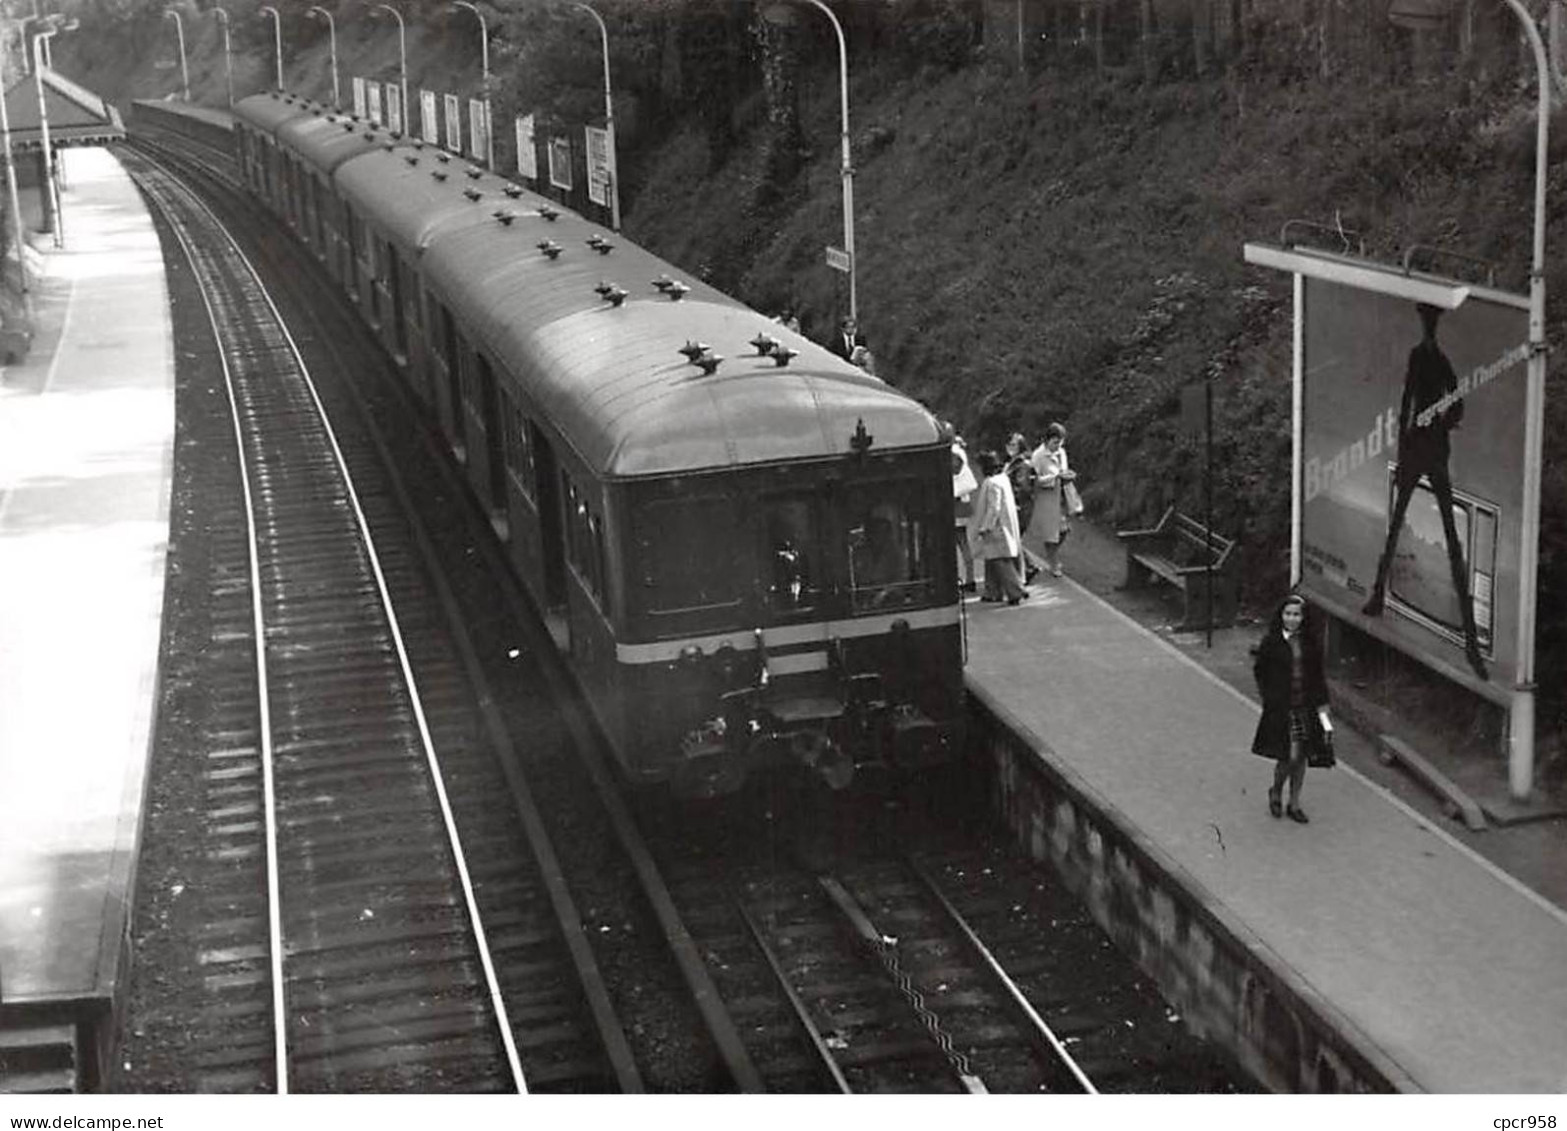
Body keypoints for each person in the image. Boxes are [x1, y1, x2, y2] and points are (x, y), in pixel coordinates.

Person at [1361, 302, 1487, 681]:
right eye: (1426, 321)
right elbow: (1406, 401)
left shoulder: (1437, 359)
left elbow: (1456, 402)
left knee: (1449, 532)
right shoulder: (1421, 356)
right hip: (1418, 448)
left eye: (1430, 321)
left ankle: (1469, 638)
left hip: (1429, 449)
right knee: (1398, 521)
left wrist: (1439, 425)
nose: (1428, 326)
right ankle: (1378, 594)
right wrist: (1408, 443)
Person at [1251, 594, 1333, 824]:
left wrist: (1323, 705)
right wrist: (1268, 697)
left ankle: (1294, 802)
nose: (1292, 619)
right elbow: (1260, 671)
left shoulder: (1310, 644)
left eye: (1296, 614)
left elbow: (1318, 676)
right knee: (1287, 756)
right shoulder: (1271, 642)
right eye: (1288, 614)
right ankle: (1276, 790)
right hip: (1282, 708)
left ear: (1303, 618)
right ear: (1281, 616)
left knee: (1302, 757)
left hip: (1305, 707)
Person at [970, 450, 1028, 605]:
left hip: (997, 528)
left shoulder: (992, 483)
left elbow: (993, 508)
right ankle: (992, 591)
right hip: (1006, 524)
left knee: (1000, 560)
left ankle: (1016, 591)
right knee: (991, 559)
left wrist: (986, 526)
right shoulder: (1003, 479)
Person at [1028, 422, 1076, 578]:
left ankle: (1051, 557)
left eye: (1060, 442)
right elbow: (1033, 480)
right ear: (1047, 440)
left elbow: (1064, 471)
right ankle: (1053, 563)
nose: (1058, 446)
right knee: (1051, 533)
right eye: (1055, 442)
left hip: (1061, 496)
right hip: (1046, 498)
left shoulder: (1062, 453)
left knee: (1064, 530)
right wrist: (1054, 477)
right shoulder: (1038, 456)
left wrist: (1067, 476)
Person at [1004, 432, 1038, 581]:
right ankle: (1027, 567)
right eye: (1008, 444)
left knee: (1013, 538)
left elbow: (1023, 487)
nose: (1010, 448)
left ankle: (1029, 567)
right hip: (1015, 505)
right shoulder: (1012, 462)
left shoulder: (1022, 464)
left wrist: (1014, 501)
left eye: (1013, 445)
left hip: (1020, 507)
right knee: (1013, 538)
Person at [951, 438, 978, 595]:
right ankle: (970, 578)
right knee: (964, 543)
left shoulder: (953, 455)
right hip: (963, 504)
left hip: (955, 505)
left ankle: (965, 578)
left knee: (957, 544)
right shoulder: (960, 454)